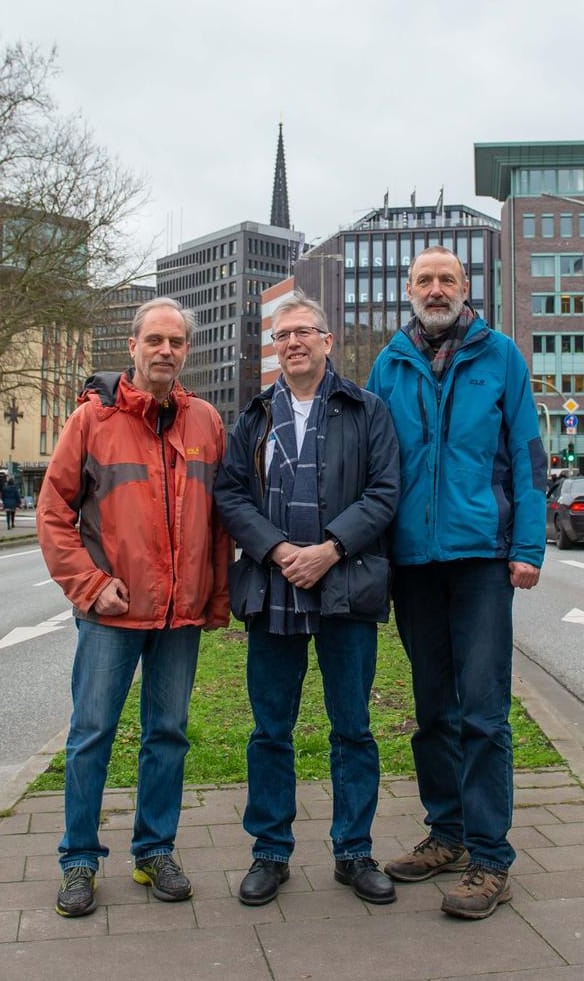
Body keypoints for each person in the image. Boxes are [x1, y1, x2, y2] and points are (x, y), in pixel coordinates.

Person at [366, 245, 546, 920]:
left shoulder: (499, 356)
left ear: (465, 288)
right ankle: (446, 834)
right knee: (432, 708)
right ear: (407, 289)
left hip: (481, 557)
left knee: (483, 711)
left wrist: (528, 545)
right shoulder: (389, 363)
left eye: (446, 279)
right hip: (413, 560)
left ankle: (490, 855)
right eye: (424, 280)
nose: (435, 289)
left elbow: (528, 454)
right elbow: (374, 465)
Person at [38, 296, 230, 918]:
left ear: (186, 350)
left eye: (175, 342)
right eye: (154, 340)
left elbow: (220, 524)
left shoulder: (205, 423)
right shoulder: (92, 421)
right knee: (92, 734)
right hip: (110, 615)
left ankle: (154, 851)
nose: (165, 351)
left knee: (167, 736)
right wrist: (92, 586)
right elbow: (53, 515)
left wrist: (214, 597)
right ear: (133, 346)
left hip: (179, 616)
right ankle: (79, 862)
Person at [213, 294, 401, 908]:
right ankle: (270, 852)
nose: (293, 342)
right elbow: (231, 495)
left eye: (304, 332)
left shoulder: (365, 409)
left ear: (327, 340)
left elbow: (384, 492)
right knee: (271, 730)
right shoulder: (254, 417)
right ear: (275, 347)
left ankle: (354, 852)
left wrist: (330, 548)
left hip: (346, 587)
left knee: (353, 728)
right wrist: (274, 550)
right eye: (282, 335)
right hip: (273, 592)